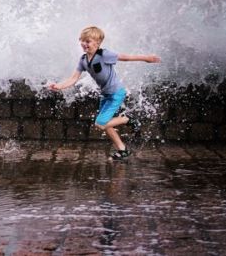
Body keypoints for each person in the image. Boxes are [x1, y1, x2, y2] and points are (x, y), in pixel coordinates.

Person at [47, 26, 161, 160]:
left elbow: (126, 57)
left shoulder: (104, 54)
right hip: (106, 95)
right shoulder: (83, 60)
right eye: (82, 41)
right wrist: (58, 86)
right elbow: (73, 78)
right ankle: (122, 150)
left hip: (116, 94)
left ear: (97, 43)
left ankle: (129, 118)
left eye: (88, 41)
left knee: (100, 123)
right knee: (106, 124)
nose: (84, 44)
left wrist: (146, 58)